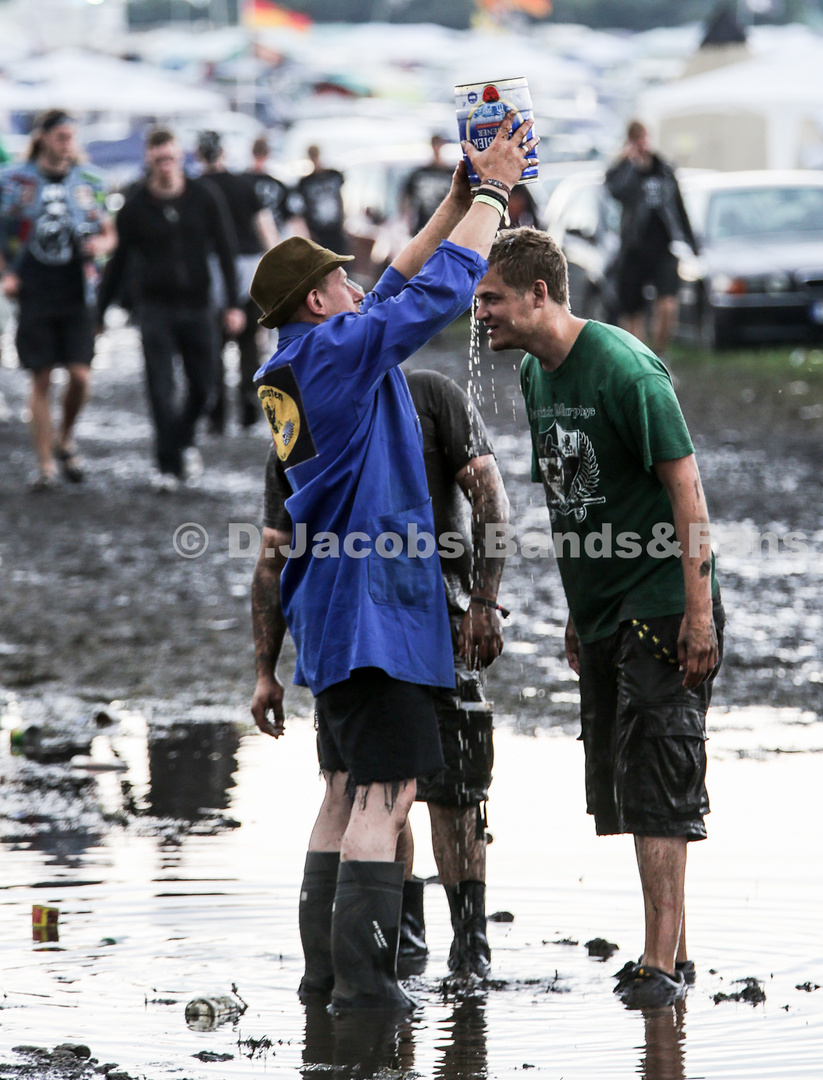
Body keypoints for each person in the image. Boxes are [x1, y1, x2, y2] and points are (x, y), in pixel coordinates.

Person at [247, 112, 535, 1011]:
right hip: (381, 611)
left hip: (329, 615)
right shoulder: (336, 357)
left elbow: (393, 284)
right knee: (388, 793)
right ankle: (369, 991)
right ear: (314, 302)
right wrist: (493, 194)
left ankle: (327, 978)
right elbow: (434, 297)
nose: (352, 279)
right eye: (338, 275)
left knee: (340, 788)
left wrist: (453, 201)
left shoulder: (302, 364)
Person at [474, 227, 724, 1010]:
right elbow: (569, 504)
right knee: (631, 788)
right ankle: (675, 955)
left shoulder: (625, 368)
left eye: (493, 300)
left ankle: (659, 965)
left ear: (539, 294)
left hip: (659, 608)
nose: (480, 314)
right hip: (606, 613)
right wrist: (580, 617)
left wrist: (700, 614)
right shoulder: (537, 376)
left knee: (661, 787)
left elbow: (688, 496)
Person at [253, 368, 510, 988]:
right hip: (358, 635)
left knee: (452, 793)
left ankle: (468, 944)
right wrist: (265, 666)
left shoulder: (430, 396)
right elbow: (273, 557)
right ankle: (400, 936)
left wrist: (481, 600)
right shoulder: (304, 425)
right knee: (387, 795)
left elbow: (490, 500)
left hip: (443, 621)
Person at [96, 128, 245, 491]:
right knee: (160, 389)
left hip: (198, 305)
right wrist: (99, 312)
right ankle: (166, 463)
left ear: (181, 158)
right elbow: (118, 262)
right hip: (155, 307)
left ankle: (180, 441)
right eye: (159, 159)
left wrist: (233, 305)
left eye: (171, 159)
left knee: (206, 386)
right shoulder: (135, 207)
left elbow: (227, 251)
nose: (165, 166)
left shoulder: (204, 197)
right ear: (149, 160)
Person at [0, 110, 114, 490]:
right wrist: (7, 274)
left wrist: (102, 244)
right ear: (44, 137)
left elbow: (110, 233)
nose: (68, 143)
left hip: (77, 291)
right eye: (61, 135)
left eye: (72, 136)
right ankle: (45, 464)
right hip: (34, 288)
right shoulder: (14, 181)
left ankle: (65, 437)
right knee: (41, 377)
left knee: (81, 376)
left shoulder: (90, 181)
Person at [197, 130, 279, 432]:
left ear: (198, 154)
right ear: (223, 152)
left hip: (209, 269)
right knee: (249, 343)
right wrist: (279, 268)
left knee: (213, 344)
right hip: (248, 269)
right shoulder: (245, 186)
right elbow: (266, 230)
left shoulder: (196, 188)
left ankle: (216, 413)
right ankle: (248, 408)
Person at [605, 120, 698, 356]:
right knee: (633, 313)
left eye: (644, 138)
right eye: (636, 139)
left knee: (668, 305)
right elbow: (616, 191)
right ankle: (640, 360)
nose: (642, 144)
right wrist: (631, 164)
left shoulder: (664, 168)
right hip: (633, 249)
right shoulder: (621, 170)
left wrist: (690, 241)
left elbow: (678, 205)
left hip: (663, 248)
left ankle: (659, 356)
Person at [288, 145, 345, 253]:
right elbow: (299, 211)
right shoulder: (305, 182)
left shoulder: (334, 175)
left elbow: (342, 198)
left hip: (335, 229)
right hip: (318, 232)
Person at [401, 134, 456, 237]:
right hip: (422, 224)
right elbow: (405, 198)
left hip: (446, 225)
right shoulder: (419, 174)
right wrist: (406, 221)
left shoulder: (452, 174)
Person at [245, 136, 292, 234]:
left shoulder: (242, 181)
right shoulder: (277, 184)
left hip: (250, 237)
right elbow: (290, 215)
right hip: (268, 236)